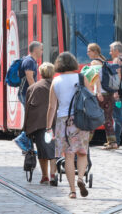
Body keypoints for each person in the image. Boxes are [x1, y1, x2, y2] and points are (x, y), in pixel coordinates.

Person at [46, 52, 91, 199]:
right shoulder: (81, 77)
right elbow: (91, 99)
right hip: (80, 120)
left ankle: (72, 191)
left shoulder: (56, 81)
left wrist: (48, 127)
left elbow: (52, 107)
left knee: (69, 156)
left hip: (63, 121)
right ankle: (80, 178)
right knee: (82, 152)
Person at [24, 62, 56, 185]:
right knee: (54, 151)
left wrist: (26, 128)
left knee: (42, 151)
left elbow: (28, 109)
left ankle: (44, 176)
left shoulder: (33, 88)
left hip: (39, 125)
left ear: (40, 73)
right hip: (55, 122)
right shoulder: (56, 86)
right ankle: (53, 174)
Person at [84, 44, 116, 149]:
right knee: (108, 118)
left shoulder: (94, 62)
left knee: (92, 116)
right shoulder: (104, 60)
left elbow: (96, 77)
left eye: (89, 51)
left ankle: (86, 140)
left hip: (101, 93)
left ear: (95, 52)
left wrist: (97, 92)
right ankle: (112, 142)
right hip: (109, 93)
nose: (87, 53)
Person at [13, 41, 43, 153]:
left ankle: (27, 147)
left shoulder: (30, 61)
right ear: (35, 50)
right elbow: (30, 78)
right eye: (41, 49)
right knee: (31, 120)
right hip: (26, 93)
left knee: (30, 119)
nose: (42, 52)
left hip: (25, 93)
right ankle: (22, 139)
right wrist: (35, 92)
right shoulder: (30, 61)